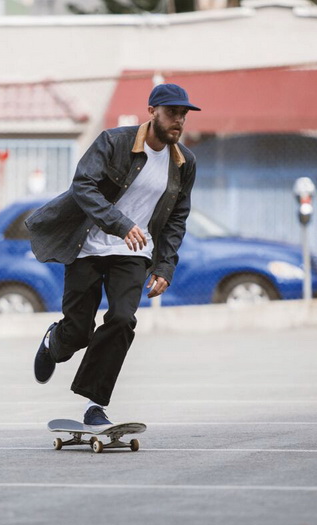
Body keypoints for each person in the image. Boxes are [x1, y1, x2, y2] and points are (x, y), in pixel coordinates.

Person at [25, 83, 200, 426]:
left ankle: (95, 405)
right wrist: (120, 224)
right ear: (152, 112)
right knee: (78, 331)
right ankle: (54, 342)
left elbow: (177, 217)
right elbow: (83, 185)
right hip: (87, 246)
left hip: (134, 251)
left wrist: (165, 265)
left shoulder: (184, 163)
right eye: (172, 113)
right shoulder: (114, 141)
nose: (179, 120)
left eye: (183, 114)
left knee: (122, 319)